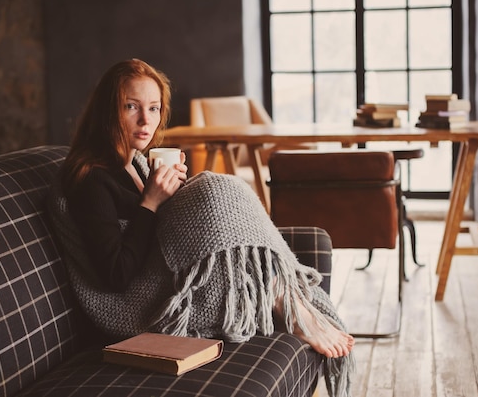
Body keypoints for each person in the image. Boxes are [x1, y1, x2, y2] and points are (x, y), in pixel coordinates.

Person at [49, 59, 353, 390]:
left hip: (167, 278)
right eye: (131, 106)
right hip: (142, 305)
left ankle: (284, 293)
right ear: (108, 110)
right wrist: (151, 201)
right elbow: (116, 275)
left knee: (218, 194)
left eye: (154, 108)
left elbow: (156, 228)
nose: (145, 120)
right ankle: (285, 301)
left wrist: (170, 196)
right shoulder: (91, 179)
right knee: (213, 188)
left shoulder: (134, 164)